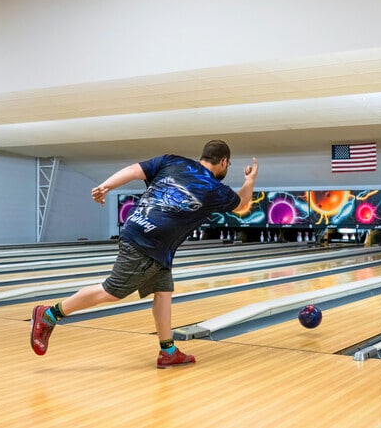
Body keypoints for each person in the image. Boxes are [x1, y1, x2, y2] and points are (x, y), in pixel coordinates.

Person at [30, 140, 258, 368]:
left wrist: (106, 186)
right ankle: (49, 314)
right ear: (224, 162)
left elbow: (132, 171)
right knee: (112, 291)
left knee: (163, 292)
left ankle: (168, 351)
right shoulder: (214, 189)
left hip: (147, 237)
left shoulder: (173, 161)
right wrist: (249, 179)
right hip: (147, 242)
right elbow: (242, 202)